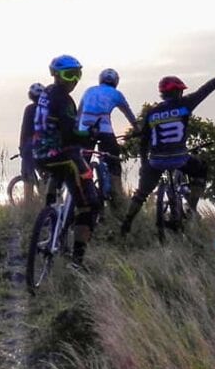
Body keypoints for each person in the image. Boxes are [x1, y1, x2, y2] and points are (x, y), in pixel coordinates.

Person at [119, 54, 215, 236]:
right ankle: (191, 208)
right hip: (179, 159)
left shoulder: (152, 113)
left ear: (162, 94)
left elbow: (144, 142)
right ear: (178, 92)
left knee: (141, 194)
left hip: (156, 161)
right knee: (201, 170)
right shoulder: (186, 104)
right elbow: (207, 89)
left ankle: (126, 224)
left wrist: (144, 164)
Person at [32, 54, 101, 271]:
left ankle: (51, 216)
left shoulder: (46, 94)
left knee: (64, 181)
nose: (74, 80)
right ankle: (77, 262)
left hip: (39, 155)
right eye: (69, 74)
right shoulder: (63, 99)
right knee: (90, 205)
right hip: (61, 156)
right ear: (56, 75)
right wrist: (90, 134)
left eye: (77, 74)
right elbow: (71, 132)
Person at [77, 68, 137, 204]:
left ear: (100, 80)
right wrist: (137, 129)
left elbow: (78, 114)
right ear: (116, 82)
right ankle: (117, 196)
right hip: (104, 128)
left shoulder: (89, 91)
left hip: (84, 128)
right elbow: (129, 114)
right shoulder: (116, 94)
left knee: (81, 162)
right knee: (114, 160)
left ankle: (78, 195)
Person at [17, 82, 45, 200]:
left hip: (31, 145)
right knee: (46, 174)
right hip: (46, 145)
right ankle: (46, 199)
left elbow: (24, 130)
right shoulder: (47, 109)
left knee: (27, 175)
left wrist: (22, 147)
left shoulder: (29, 109)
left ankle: (28, 202)